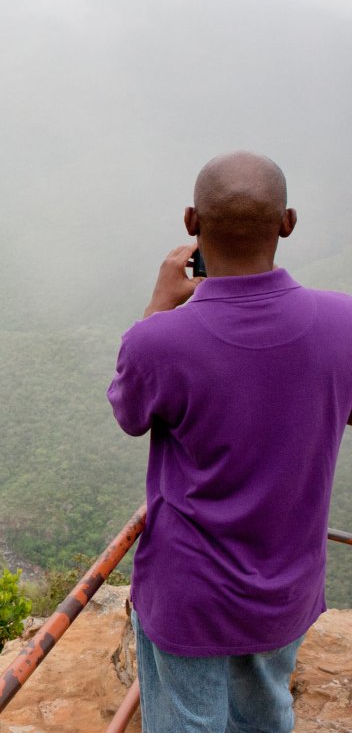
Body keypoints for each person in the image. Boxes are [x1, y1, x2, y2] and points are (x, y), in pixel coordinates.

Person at [107, 151, 352, 732]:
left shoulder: (159, 341)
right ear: (287, 223)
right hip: (285, 588)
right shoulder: (343, 324)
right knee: (268, 715)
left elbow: (129, 412)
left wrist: (157, 307)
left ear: (192, 224)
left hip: (187, 594)